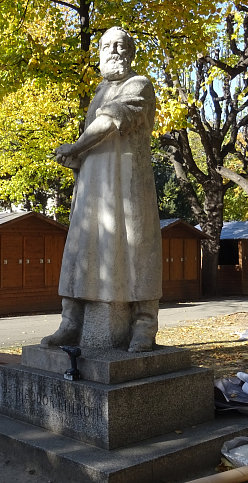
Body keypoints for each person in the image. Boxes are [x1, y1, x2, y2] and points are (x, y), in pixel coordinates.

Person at [41, 27, 161, 352]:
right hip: (93, 185)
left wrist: (76, 146)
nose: (113, 50)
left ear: (131, 52)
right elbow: (94, 133)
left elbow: (110, 121)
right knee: (81, 248)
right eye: (107, 45)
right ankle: (71, 322)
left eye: (120, 45)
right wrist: (75, 159)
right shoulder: (99, 90)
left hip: (127, 182)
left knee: (137, 248)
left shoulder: (139, 85)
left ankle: (144, 327)